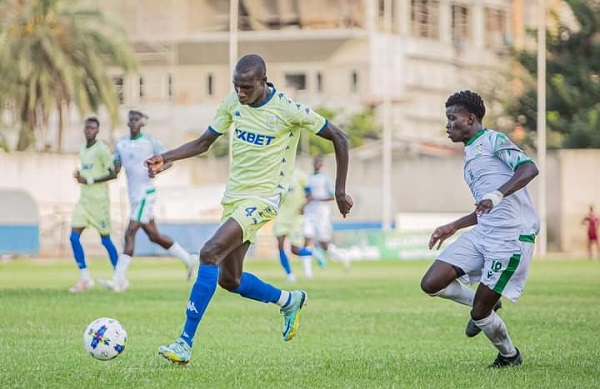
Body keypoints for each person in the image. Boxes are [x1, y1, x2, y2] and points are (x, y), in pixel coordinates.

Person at [146, 54, 353, 365]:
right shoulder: (233, 103)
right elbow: (204, 142)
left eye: (246, 87)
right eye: (236, 86)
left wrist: (339, 190)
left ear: (263, 81)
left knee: (209, 252)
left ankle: (184, 342)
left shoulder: (287, 109)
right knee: (230, 279)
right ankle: (289, 300)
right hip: (235, 198)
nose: (240, 93)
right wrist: (166, 157)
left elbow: (340, 136)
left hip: (264, 199)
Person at [419, 90, 539, 368]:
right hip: (483, 233)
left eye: (452, 118)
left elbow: (529, 169)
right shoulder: (471, 152)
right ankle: (487, 304)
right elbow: (486, 207)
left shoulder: (494, 140)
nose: (448, 125)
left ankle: (509, 355)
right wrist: (454, 225)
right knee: (432, 283)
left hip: (509, 239)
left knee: (479, 313)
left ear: (470, 118)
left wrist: (497, 195)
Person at [99, 110, 197, 292]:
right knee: (154, 236)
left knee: (130, 233)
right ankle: (188, 259)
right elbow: (115, 170)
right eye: (131, 120)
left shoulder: (151, 142)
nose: (134, 123)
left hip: (146, 193)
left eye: (137, 120)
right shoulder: (121, 143)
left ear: (143, 123)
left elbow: (168, 161)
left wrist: (158, 170)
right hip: (133, 195)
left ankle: (118, 280)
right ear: (128, 123)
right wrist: (102, 171)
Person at [68, 117, 119, 293]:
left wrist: (88, 180)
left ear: (97, 131)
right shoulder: (83, 149)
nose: (89, 130)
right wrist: (79, 175)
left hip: (99, 202)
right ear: (84, 129)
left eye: (93, 128)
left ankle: (119, 277)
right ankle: (85, 278)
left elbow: (113, 174)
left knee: (105, 240)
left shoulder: (102, 149)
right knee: (73, 237)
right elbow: (88, 171)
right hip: (84, 201)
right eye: (87, 127)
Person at [303, 155, 349, 273]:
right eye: (315, 162)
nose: (317, 164)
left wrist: (316, 198)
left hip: (322, 213)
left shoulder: (325, 179)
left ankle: (343, 257)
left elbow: (332, 196)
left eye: (319, 162)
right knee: (307, 239)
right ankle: (308, 273)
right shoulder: (307, 178)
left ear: (322, 164)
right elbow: (307, 195)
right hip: (309, 213)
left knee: (324, 245)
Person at [272, 167, 314, 281]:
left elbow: (310, 195)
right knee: (280, 245)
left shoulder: (300, 175)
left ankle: (316, 253)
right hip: (281, 216)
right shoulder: (276, 173)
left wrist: (303, 206)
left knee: (294, 250)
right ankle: (290, 275)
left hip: (295, 218)